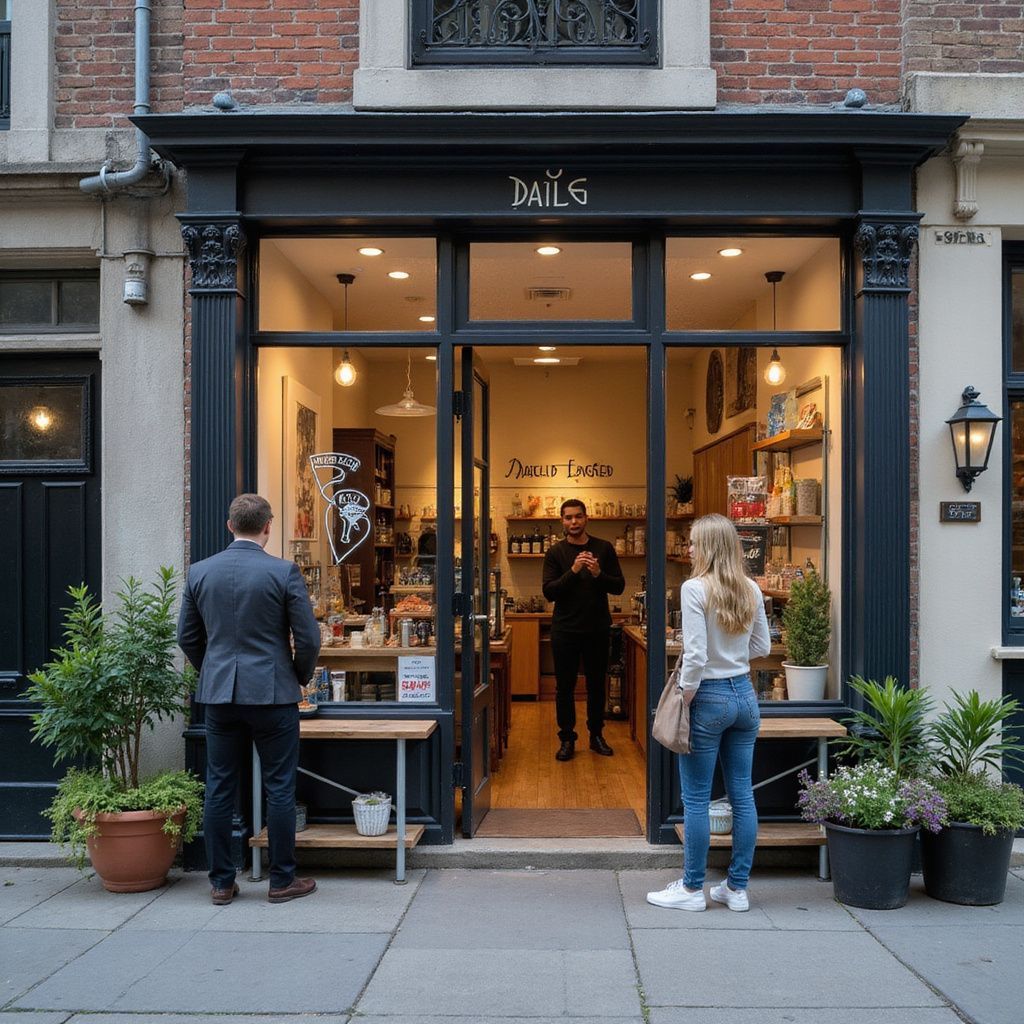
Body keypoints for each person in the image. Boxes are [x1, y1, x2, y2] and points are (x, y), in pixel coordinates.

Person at [177, 493, 322, 906]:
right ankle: (281, 881)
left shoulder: (200, 573)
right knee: (279, 787)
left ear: (229, 526)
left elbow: (186, 637)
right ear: (268, 527)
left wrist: (213, 669)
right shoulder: (282, 572)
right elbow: (309, 637)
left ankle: (221, 882)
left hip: (220, 696)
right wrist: (298, 675)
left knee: (219, 786)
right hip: (273, 694)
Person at [647, 513, 770, 913]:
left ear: (710, 548)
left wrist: (685, 694)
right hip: (744, 696)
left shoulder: (694, 588)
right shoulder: (750, 587)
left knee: (696, 799)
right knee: (742, 795)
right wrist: (732, 657)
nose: (690, 548)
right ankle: (736, 889)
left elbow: (696, 655)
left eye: (696, 542)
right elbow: (762, 647)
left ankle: (691, 889)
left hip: (709, 697)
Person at [542, 498, 625, 761]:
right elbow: (549, 591)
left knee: (596, 686)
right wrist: (575, 570)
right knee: (564, 688)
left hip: (597, 629)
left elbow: (619, 586)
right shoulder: (555, 553)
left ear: (586, 518)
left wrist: (599, 573)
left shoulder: (604, 548)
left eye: (578, 517)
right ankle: (566, 739)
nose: (573, 522)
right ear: (562, 521)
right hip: (564, 630)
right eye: (568, 518)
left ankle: (596, 735)